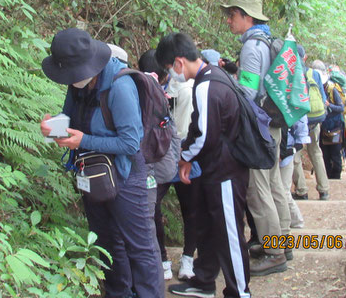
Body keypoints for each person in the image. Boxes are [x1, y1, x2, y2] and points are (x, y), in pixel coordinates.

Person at [40, 28, 161, 298]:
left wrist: (83, 140)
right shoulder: (78, 84)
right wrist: (53, 128)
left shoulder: (120, 86)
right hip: (92, 173)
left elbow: (130, 144)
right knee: (107, 243)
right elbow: (69, 117)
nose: (69, 81)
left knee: (139, 247)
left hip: (127, 175)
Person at [155, 33, 251, 298]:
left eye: (168, 69)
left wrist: (184, 158)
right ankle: (204, 280)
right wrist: (188, 156)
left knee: (230, 232)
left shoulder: (207, 85)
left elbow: (205, 134)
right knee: (211, 226)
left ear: (178, 62)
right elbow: (200, 128)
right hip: (215, 168)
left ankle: (240, 291)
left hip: (226, 172)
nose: (170, 75)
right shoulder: (211, 78)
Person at [221, 0, 289, 276]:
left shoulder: (252, 46)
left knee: (258, 190)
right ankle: (282, 243)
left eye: (233, 15)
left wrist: (226, 85)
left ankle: (274, 254)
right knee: (274, 185)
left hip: (260, 127)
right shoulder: (268, 40)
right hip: (274, 124)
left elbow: (248, 91)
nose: (229, 20)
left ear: (247, 17)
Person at [138, 49, 199, 282]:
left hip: (167, 155)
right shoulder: (169, 88)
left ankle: (170, 260)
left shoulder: (182, 88)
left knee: (155, 209)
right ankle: (182, 259)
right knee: (187, 209)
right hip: (176, 154)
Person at [292, 58, 330, 201]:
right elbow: (322, 96)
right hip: (315, 119)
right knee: (315, 151)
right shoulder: (314, 73)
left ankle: (301, 190)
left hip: (298, 118)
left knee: (296, 153)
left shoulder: (291, 73)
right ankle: (324, 190)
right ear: (305, 58)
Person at [319, 69, 345, 179]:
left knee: (335, 153)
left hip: (335, 127)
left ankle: (336, 176)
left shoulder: (332, 90)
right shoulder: (319, 90)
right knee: (325, 154)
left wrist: (329, 105)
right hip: (324, 127)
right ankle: (328, 176)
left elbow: (341, 108)